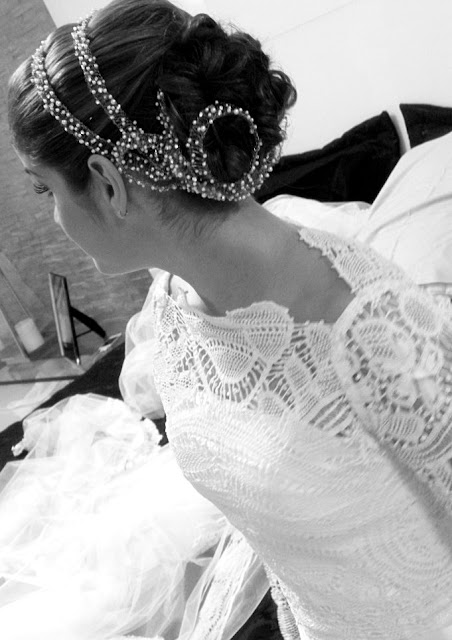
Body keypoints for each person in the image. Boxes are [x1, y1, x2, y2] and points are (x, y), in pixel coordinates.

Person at [3, 0, 452, 638]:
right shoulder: (173, 303)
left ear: (106, 182)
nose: (53, 218)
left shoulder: (370, 327)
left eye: (45, 189)